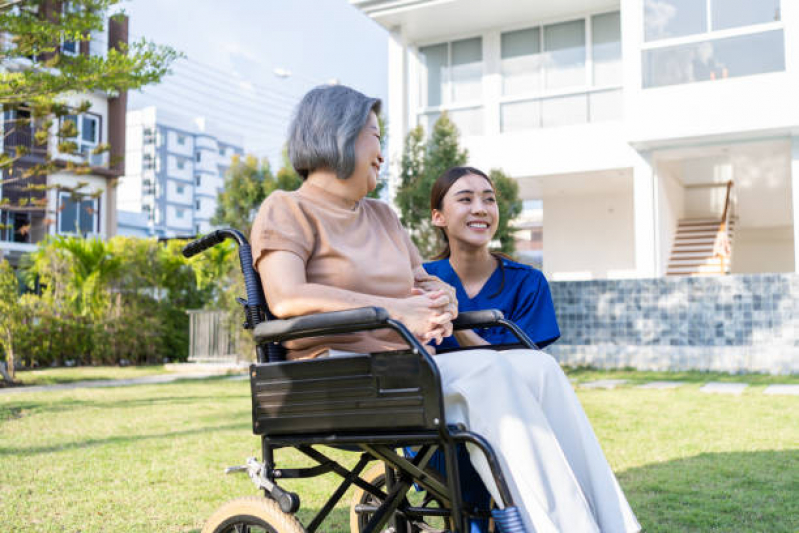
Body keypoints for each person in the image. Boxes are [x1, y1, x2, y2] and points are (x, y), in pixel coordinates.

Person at [251, 84, 640, 533]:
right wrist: (397, 310)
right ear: (338, 135)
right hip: (336, 373)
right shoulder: (287, 209)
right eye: (375, 137)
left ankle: (614, 526)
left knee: (539, 368)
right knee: (490, 374)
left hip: (406, 370)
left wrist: (441, 297)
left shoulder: (381, 216)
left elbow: (424, 279)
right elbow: (285, 297)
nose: (382, 152)